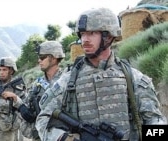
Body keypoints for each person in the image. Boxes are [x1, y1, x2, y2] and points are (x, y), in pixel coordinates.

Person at [35, 7, 167, 141]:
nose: (85, 39)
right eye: (82, 33)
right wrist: (64, 138)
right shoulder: (68, 81)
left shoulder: (134, 79)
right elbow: (43, 119)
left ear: (108, 36)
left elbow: (155, 122)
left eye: (92, 33)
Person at [2, 41, 66, 141]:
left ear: (53, 57)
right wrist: (17, 100)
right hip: (40, 135)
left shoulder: (66, 80)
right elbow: (28, 107)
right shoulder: (37, 84)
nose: (39, 61)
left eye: (42, 57)